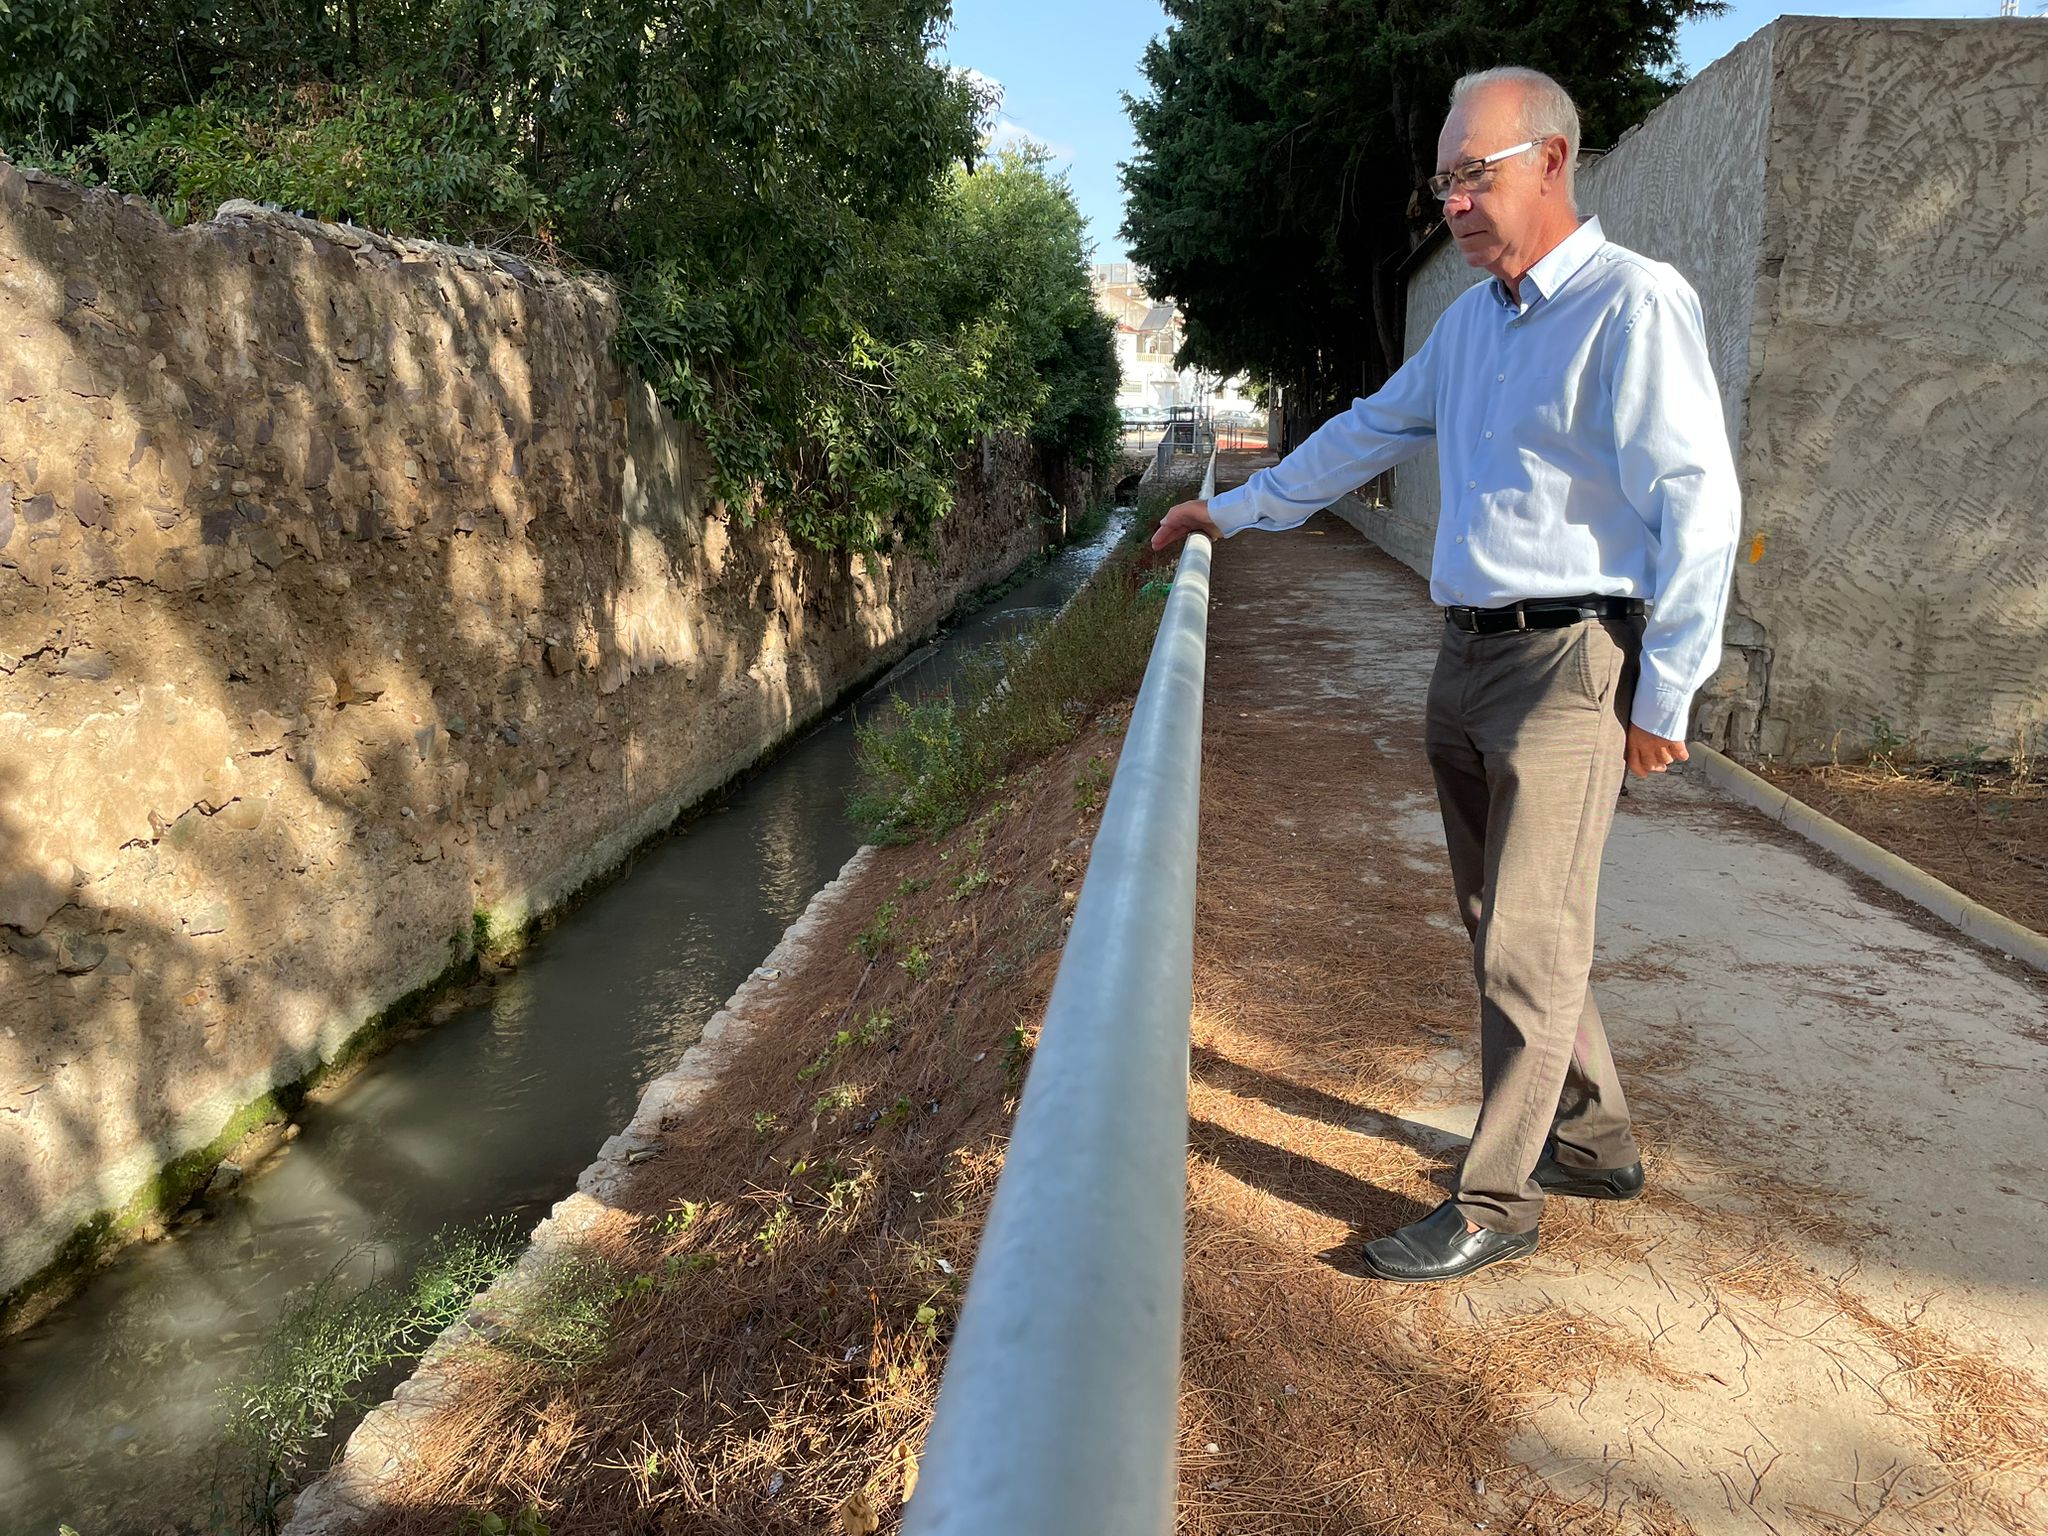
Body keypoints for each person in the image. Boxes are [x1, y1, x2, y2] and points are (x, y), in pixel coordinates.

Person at [1152, 66, 1739, 1283]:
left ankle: (1495, 1202)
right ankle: (1594, 1139)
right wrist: (1236, 513)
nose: (1455, 203)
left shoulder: (1634, 305)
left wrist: (1665, 692)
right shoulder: (1466, 326)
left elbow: (1699, 503)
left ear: (1553, 162)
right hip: (1465, 651)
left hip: (1571, 662)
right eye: (1444, 181)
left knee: (1528, 940)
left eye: (1474, 173)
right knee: (1499, 926)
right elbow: (1364, 431)